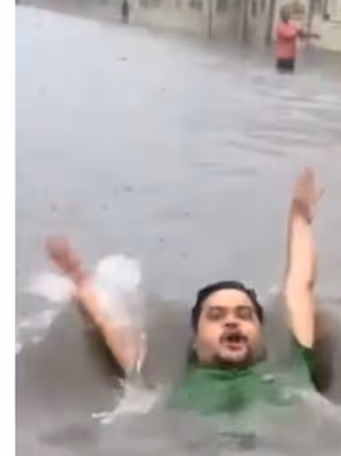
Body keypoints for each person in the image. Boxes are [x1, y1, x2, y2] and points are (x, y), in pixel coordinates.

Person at [45, 167, 325, 416]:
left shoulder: (294, 366)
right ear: (195, 339)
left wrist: (299, 216)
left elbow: (299, 288)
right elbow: (110, 326)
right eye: (216, 316)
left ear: (261, 334)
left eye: (244, 315)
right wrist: (79, 278)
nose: (231, 321)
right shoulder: (160, 380)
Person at [275, 8, 319, 74]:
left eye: (287, 14)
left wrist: (312, 35)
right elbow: (287, 36)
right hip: (282, 58)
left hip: (291, 58)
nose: (286, 15)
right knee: (280, 76)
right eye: (285, 14)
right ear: (281, 16)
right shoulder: (279, 27)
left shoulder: (293, 26)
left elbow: (302, 35)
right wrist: (296, 32)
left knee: (289, 76)